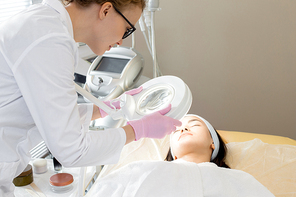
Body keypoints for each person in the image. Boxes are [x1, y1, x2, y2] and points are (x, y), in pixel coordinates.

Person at [0, 0, 181, 196]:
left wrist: (104, 108)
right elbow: (72, 150)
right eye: (127, 29)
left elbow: (50, 112)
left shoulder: (48, 27)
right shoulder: (49, 39)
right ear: (106, 10)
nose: (121, 41)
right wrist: (139, 130)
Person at [85, 114, 275, 197]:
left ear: (212, 143)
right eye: (176, 129)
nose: (183, 127)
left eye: (195, 124)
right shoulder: (140, 170)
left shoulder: (239, 179)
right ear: (173, 152)